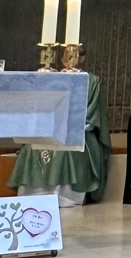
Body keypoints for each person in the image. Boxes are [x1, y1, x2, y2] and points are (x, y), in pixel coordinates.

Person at [10, 55, 111, 206]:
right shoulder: (52, 80)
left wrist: (72, 127)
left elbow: (92, 114)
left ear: (82, 58)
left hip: (80, 132)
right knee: (30, 148)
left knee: (66, 150)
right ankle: (33, 196)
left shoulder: (91, 81)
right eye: (65, 55)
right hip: (49, 131)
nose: (67, 58)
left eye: (73, 55)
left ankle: (64, 198)